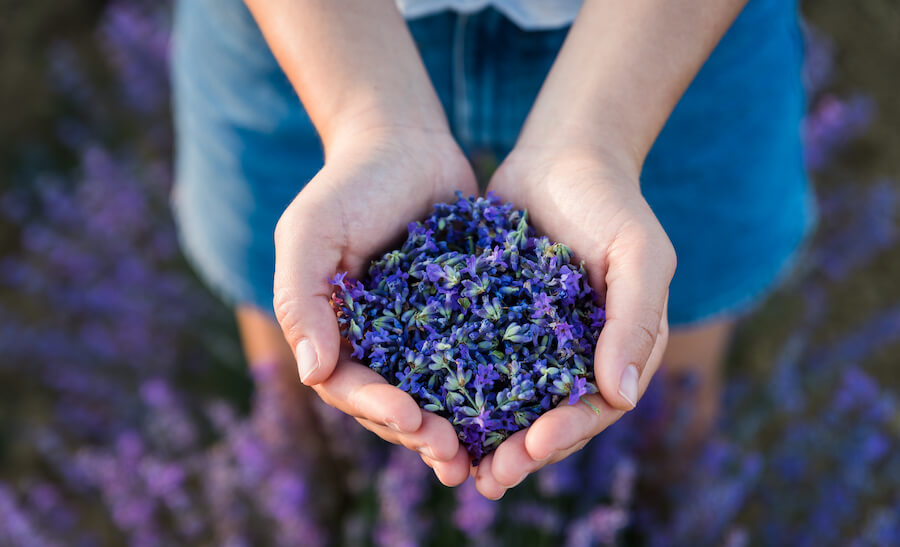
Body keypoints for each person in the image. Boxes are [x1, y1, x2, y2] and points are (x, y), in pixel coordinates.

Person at [171, 0, 812, 500]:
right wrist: (368, 125)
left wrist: (597, 142)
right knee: (296, 381)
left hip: (662, 35)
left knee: (664, 389)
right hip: (316, 32)